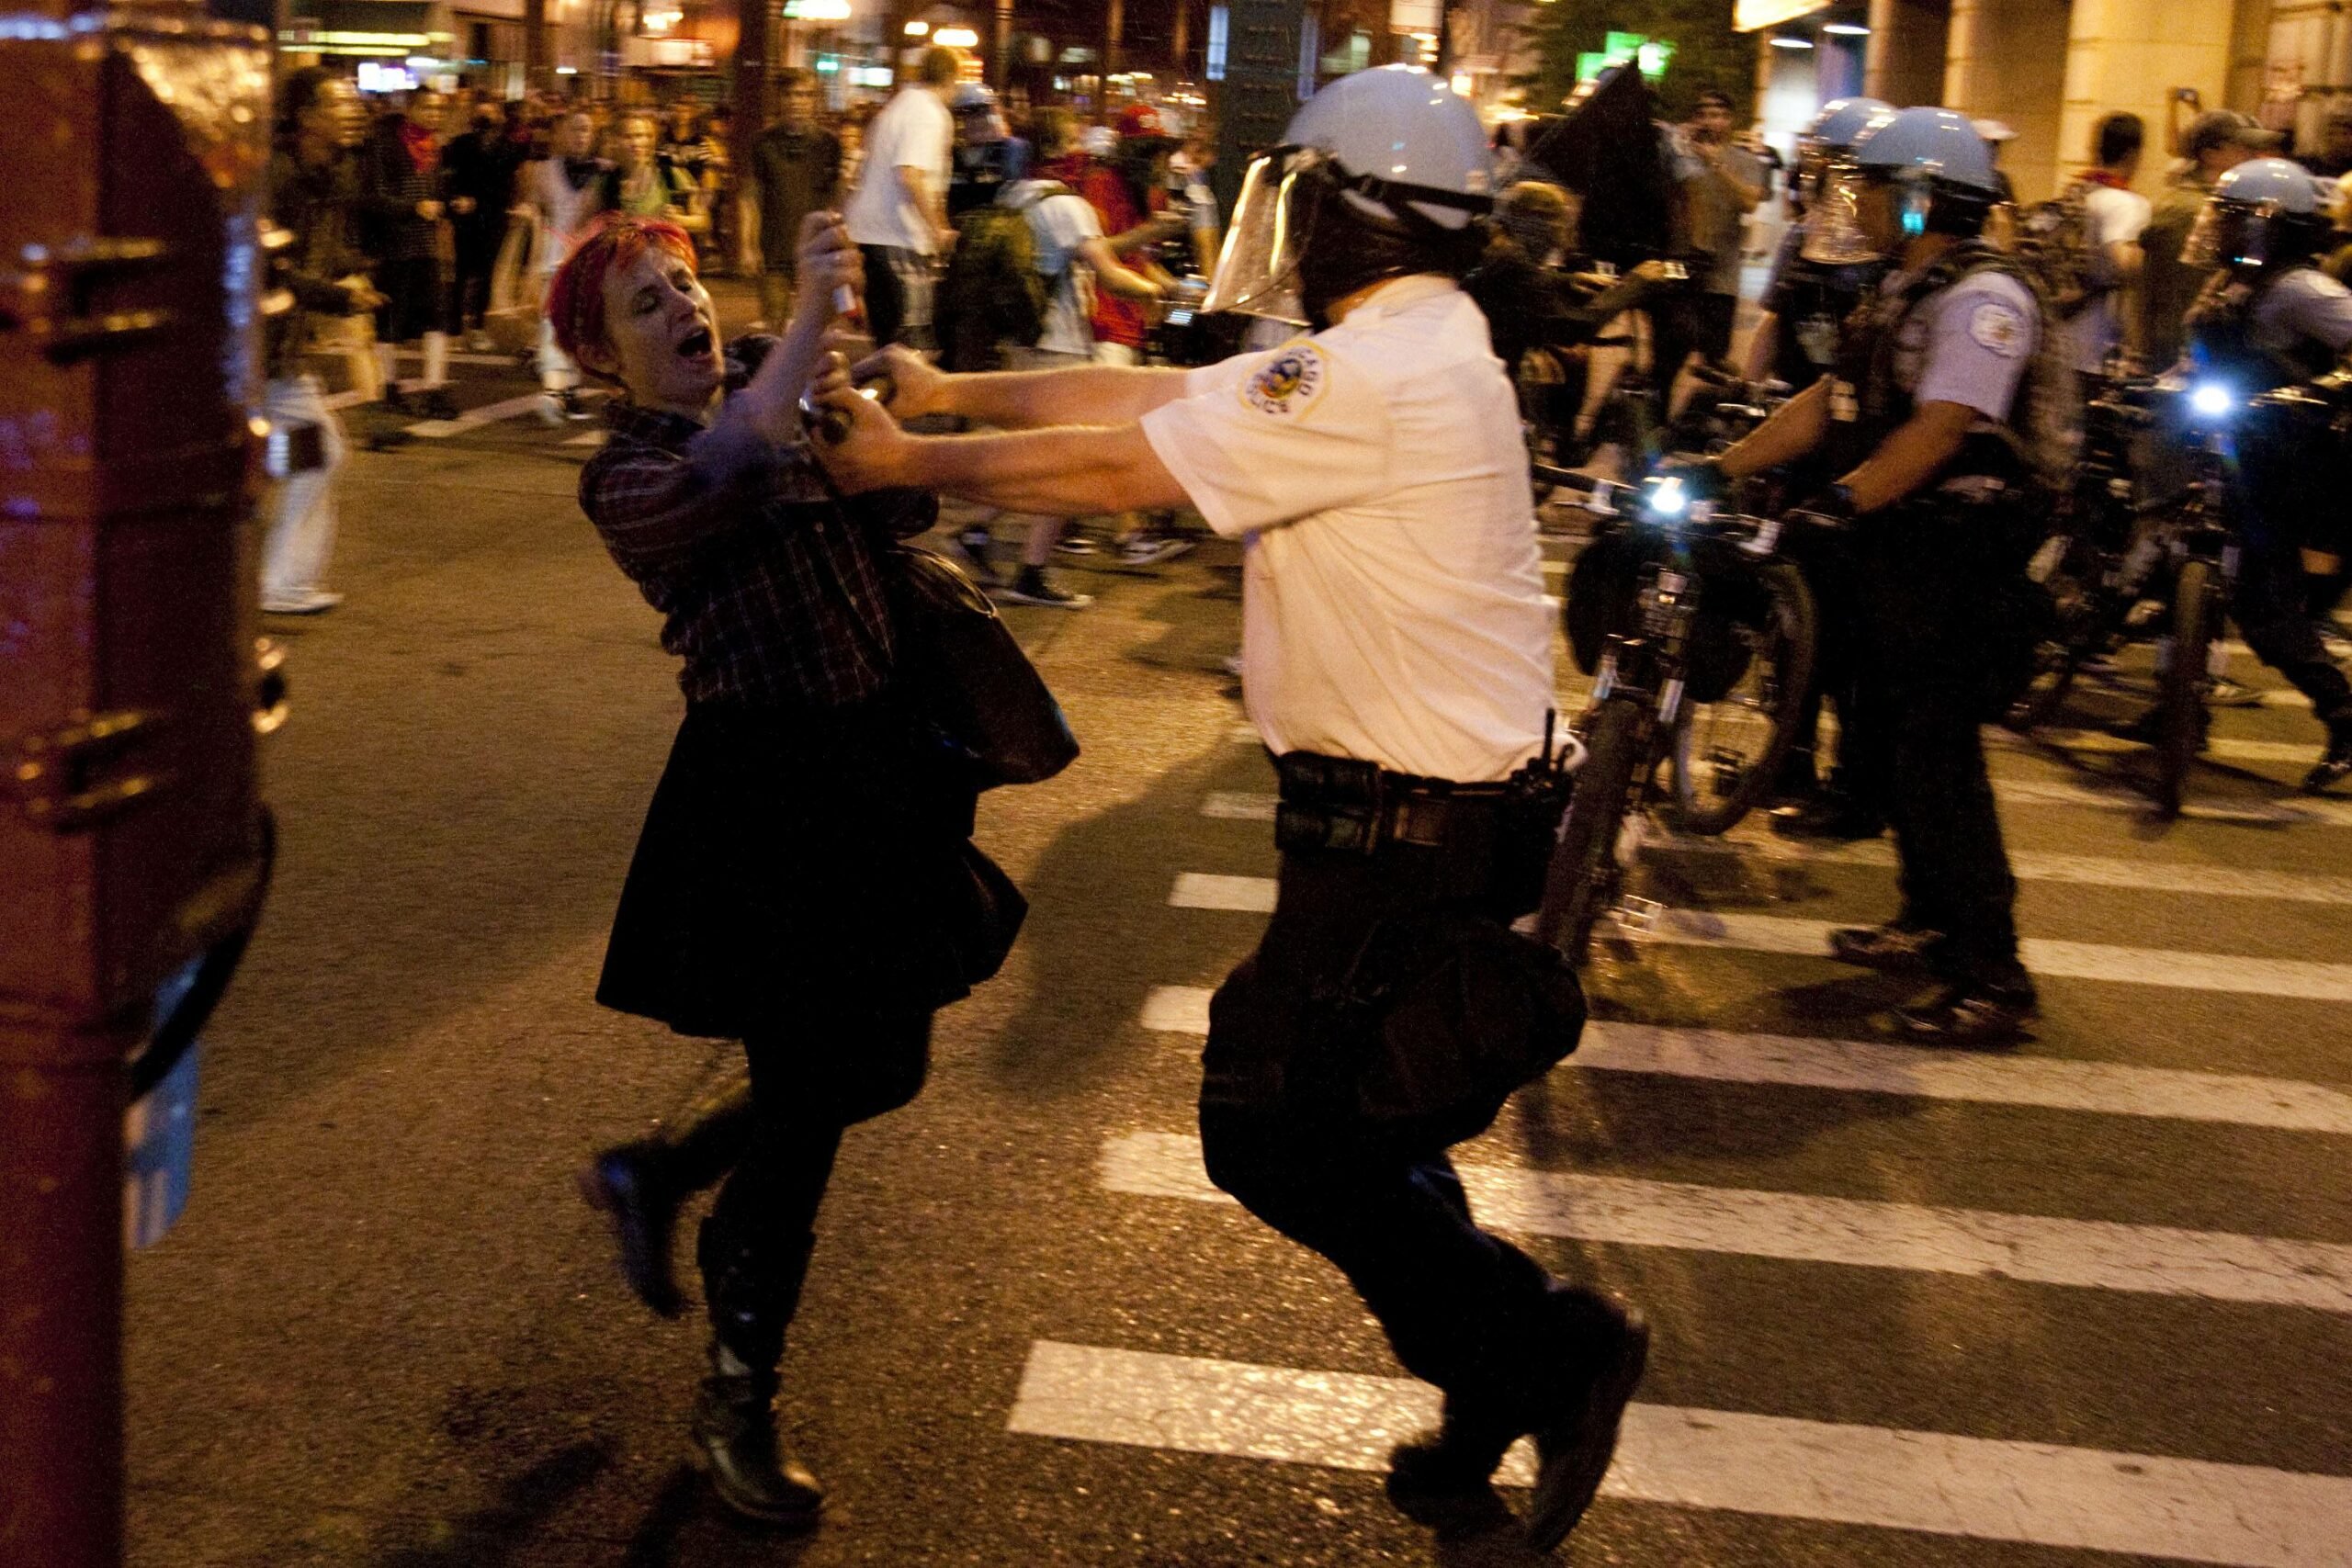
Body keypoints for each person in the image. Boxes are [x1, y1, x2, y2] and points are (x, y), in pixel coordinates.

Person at [809, 65, 1647, 1554]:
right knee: (1364, 1115)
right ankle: (1500, 1366)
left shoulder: (1382, 370)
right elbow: (1159, 398)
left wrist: (909, 462)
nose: (1300, 225)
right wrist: (951, 394)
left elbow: (1136, 464)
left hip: (1413, 837)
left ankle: (1545, 1350)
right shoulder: (1393, 347)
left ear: (1365, 211)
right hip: (1400, 828)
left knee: (1274, 1131)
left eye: (1312, 197)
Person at [553, 211, 1024, 1526]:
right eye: (646, 305)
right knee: (813, 1102)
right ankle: (735, 1399)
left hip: (876, 774)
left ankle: (663, 1170)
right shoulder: (627, 472)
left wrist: (848, 398)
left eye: (685, 283)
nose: (683, 309)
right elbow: (721, 471)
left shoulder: (779, 385)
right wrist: (805, 345)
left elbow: (903, 498)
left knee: (881, 1062)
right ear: (604, 356)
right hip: (765, 801)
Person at [1709, 107, 2046, 1040]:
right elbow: (1829, 400)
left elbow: (1939, 428)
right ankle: (1929, 921)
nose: (1853, 202)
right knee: (1896, 741)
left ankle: (1992, 977)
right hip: (1905, 552)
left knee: (1940, 762)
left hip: (1960, 554)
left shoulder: (1984, 301)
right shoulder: (1904, 285)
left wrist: (1848, 499)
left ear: (1922, 200)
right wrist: (1725, 465)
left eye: (1874, 187)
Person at [1743, 96, 1896, 840]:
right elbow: (1778, 326)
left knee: (1856, 638)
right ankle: (1788, 758)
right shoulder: (1807, 240)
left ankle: (1856, 785)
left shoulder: (1904, 267)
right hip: (1807, 450)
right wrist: (1745, 398)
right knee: (1788, 613)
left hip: (1871, 467)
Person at [2173, 157, 2352, 790]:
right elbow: (2199, 359)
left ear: (2271, 228)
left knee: (2267, 610)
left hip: (2287, 464)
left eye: (2233, 221)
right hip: (2229, 448)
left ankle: (2343, 714)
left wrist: (2326, 386)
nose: (2218, 232)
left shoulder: (2303, 289)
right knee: (2175, 572)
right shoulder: (2231, 284)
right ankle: (2177, 710)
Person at [956, 106, 1170, 607]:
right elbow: (1109, 272)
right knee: (1063, 463)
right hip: (1060, 344)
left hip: (1021, 338)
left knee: (1026, 445)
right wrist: (1151, 293)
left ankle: (976, 531)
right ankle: (1030, 573)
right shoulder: (1070, 207)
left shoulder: (1015, 194)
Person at [261, 68, 380, 615]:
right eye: (340, 103)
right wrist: (339, 296)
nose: (353, 111)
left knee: (317, 454)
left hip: (279, 350)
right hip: (251, 349)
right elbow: (268, 270)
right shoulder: (279, 176)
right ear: (307, 117)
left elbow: (321, 254)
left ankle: (283, 581)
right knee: (316, 454)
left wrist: (355, 273)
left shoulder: (331, 174)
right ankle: (278, 581)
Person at [842, 45, 961, 349]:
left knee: (885, 340)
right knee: (909, 344)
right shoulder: (930, 113)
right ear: (949, 76)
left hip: (870, 233)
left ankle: (877, 395)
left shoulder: (898, 105)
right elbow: (911, 174)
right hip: (899, 236)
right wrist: (939, 230)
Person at [2141, 109, 2276, 367]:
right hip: (2184, 358)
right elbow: (2183, 294)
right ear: (2210, 154)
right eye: (2243, 148)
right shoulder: (2191, 211)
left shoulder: (2219, 205)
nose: (2254, 157)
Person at [357, 90, 459, 420]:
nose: (434, 115)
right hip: (394, 247)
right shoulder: (385, 145)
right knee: (389, 319)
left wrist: (452, 204)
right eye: (427, 107)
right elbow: (374, 197)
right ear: (410, 109)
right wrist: (413, 208)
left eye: (438, 109)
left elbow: (437, 192)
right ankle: (389, 386)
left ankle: (434, 388)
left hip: (427, 246)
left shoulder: (434, 149)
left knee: (436, 317)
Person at [744, 70, 842, 331]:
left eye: (804, 95)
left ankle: (811, 372)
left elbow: (837, 198)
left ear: (814, 100)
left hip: (815, 248)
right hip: (774, 247)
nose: (796, 101)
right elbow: (751, 196)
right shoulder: (763, 143)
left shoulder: (829, 144)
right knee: (773, 323)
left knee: (814, 325)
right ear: (781, 99)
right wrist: (748, 245)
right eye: (790, 94)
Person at [528, 108, 608, 422]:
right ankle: (552, 389)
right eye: (574, 129)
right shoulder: (545, 171)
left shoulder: (604, 171)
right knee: (552, 324)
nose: (580, 136)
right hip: (554, 255)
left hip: (589, 258)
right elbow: (534, 210)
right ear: (562, 134)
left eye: (586, 130)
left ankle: (571, 388)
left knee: (583, 325)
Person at [1679, 87, 1764, 368]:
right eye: (1702, 115)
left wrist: (1715, 163)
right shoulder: (1681, 156)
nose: (1708, 121)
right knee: (1674, 349)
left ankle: (1705, 407)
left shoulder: (1746, 161)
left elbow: (1750, 202)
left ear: (1730, 121)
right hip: (1683, 265)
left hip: (1722, 273)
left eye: (1716, 115)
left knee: (1714, 357)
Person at [2064, 112, 2151, 384]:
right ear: (2132, 154)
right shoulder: (2124, 204)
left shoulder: (2075, 193)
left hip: (2062, 335)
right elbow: (2125, 262)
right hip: (2096, 346)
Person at [442, 100, 527, 352]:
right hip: (466, 217)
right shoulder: (460, 144)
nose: (487, 121)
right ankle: (455, 329)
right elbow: (448, 178)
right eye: (482, 116)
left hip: (493, 216)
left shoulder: (508, 148)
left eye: (491, 116)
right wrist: (454, 202)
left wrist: (513, 205)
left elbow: (514, 180)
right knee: (462, 273)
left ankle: (477, 325)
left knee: (487, 273)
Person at [605, 110, 707, 231]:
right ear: (616, 141)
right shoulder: (606, 181)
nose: (635, 143)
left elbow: (703, 220)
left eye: (640, 136)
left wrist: (678, 219)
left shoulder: (670, 175)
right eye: (628, 136)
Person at [945, 83, 1030, 219]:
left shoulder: (1011, 150)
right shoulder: (951, 154)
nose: (975, 121)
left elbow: (1018, 197)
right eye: (967, 115)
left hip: (996, 230)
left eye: (982, 112)